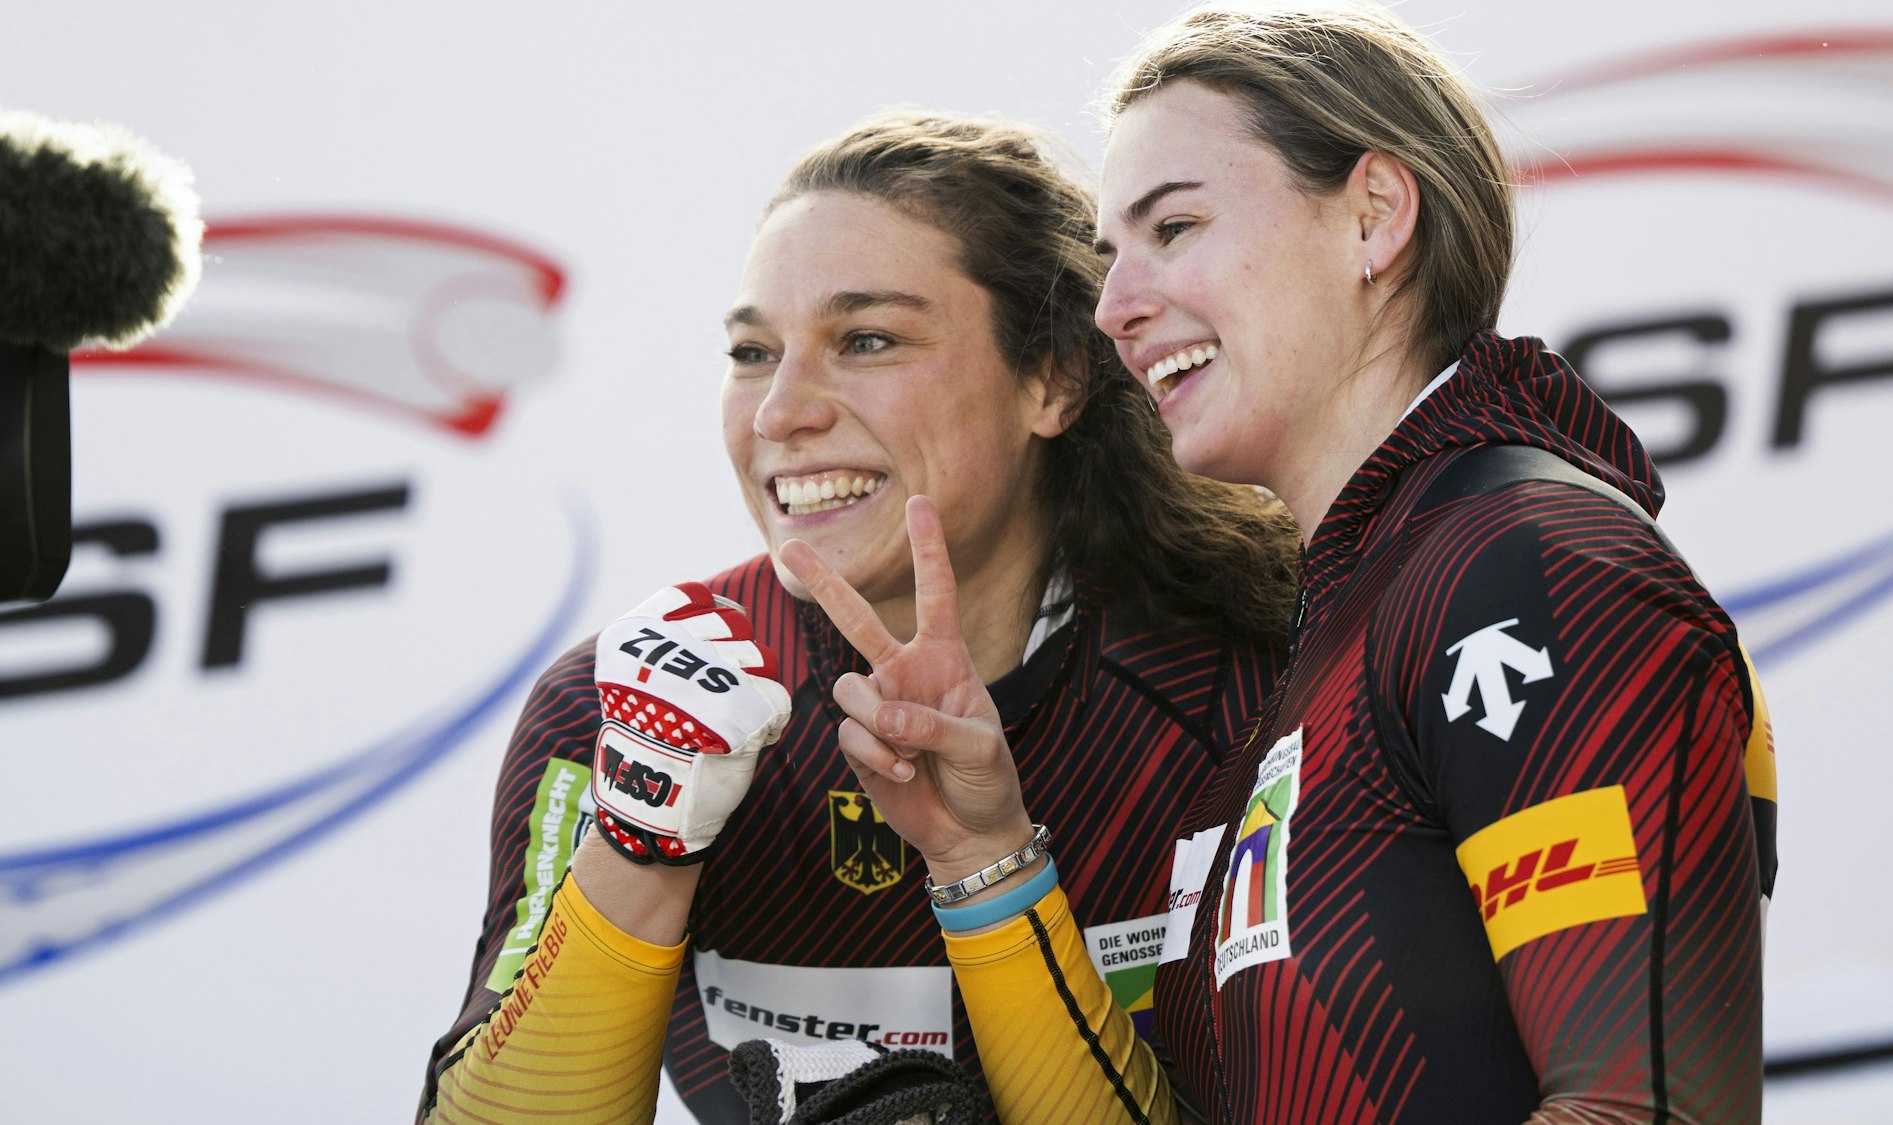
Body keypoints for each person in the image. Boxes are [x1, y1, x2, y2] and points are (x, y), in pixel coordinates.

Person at [786, 6, 1780, 1123]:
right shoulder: (1358, 609)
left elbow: (1643, 1111)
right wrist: (983, 851)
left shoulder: (1531, 575)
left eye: (1173, 229)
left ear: (1371, 216)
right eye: (1111, 258)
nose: (1114, 307)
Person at [415, 111, 1299, 1124]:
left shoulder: (1253, 677)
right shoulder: (612, 708)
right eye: (751, 353)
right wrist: (636, 847)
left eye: (865, 340)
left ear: (1050, 376)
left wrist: (988, 870)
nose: (780, 411)